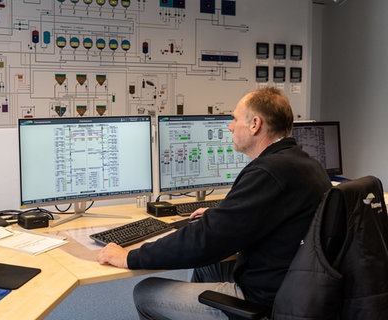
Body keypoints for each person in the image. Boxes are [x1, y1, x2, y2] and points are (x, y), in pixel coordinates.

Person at [97, 87, 332, 320]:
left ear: (255, 124)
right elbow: (271, 217)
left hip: (264, 299)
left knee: (145, 292)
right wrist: (224, 214)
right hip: (295, 286)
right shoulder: (305, 164)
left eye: (234, 118)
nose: (230, 126)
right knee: (205, 265)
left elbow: (206, 239)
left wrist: (130, 257)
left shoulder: (268, 172)